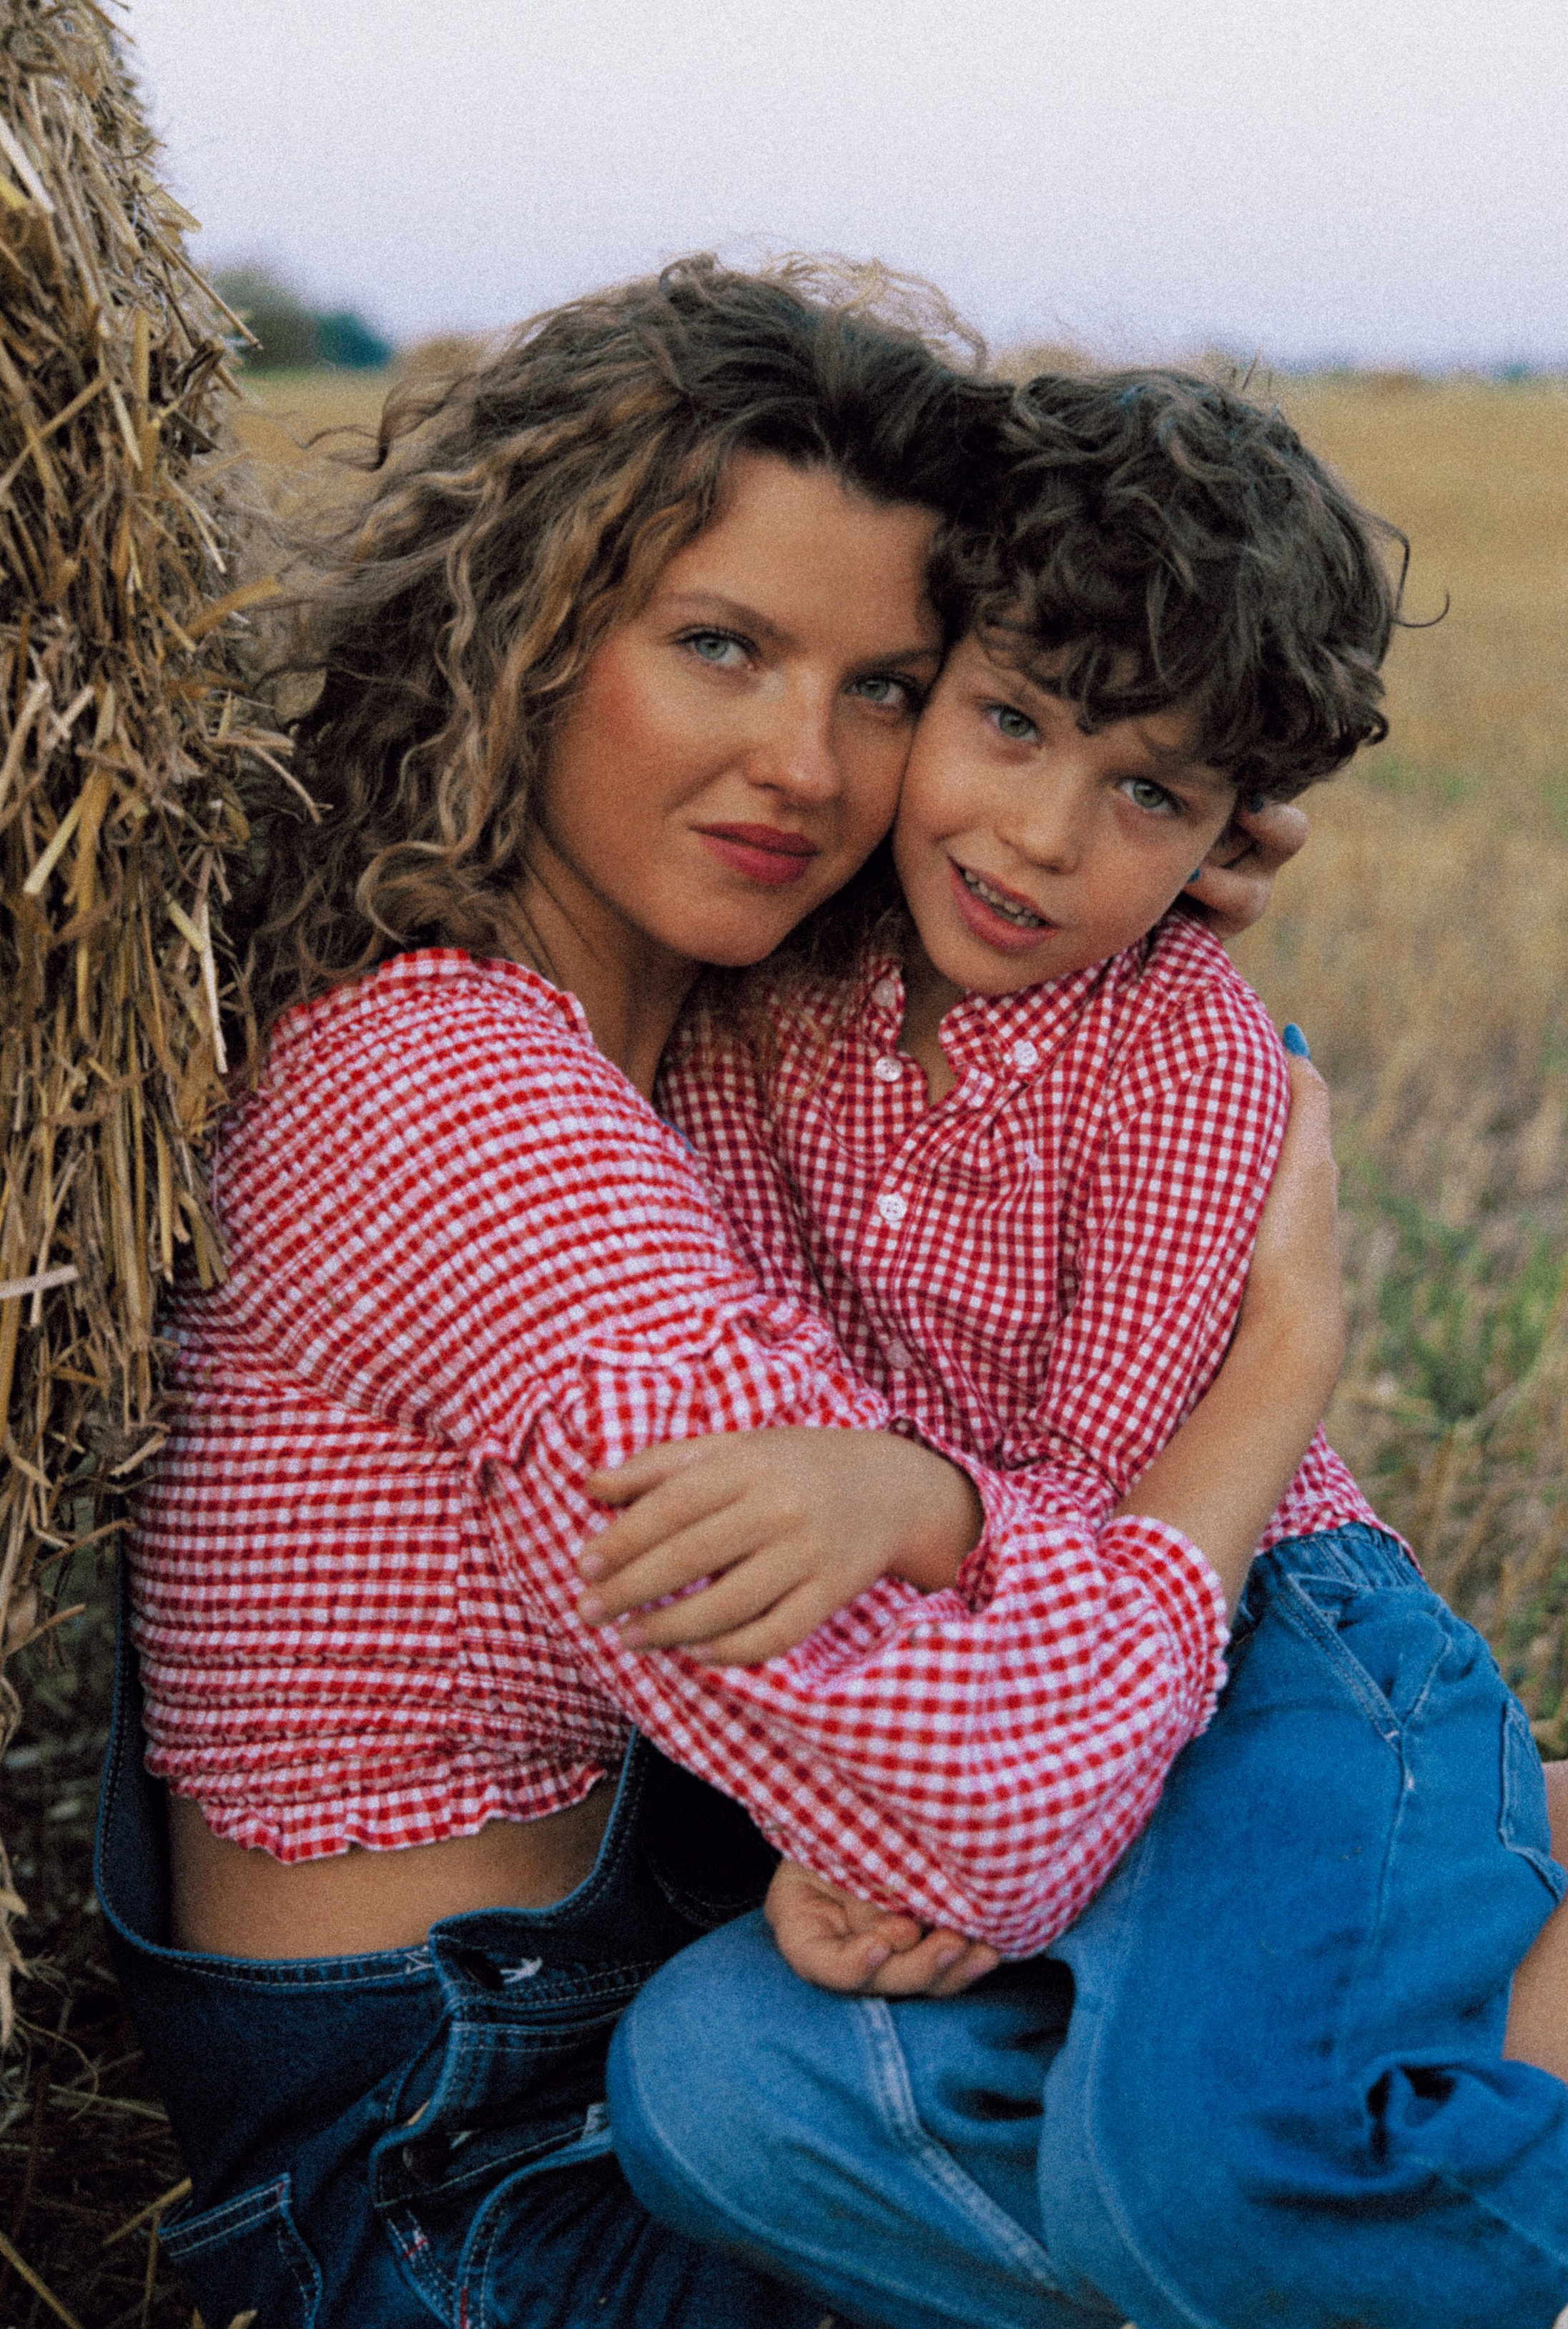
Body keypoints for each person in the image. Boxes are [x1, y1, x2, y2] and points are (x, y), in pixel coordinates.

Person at [99, 257, 1338, 2329]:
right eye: (722, 647)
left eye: (888, 689)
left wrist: (1117, 833)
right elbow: (975, 1812)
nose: (807, 764)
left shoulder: (694, 1055)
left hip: (622, 2020)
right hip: (471, 2185)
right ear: (529, 638)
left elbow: (1025, 1324)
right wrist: (1271, 1384)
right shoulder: (463, 1101)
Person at [597, 365, 1568, 2328]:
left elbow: (1108, 1518)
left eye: (1147, 792)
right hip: (1017, 1684)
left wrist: (942, 1743)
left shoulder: (1178, 1054)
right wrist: (861, 1805)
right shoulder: (777, 996)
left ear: (1234, 827)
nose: (1040, 832)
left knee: (1201, 2150)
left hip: (1267, 1648)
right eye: (1009, 722)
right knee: (709, 2095)